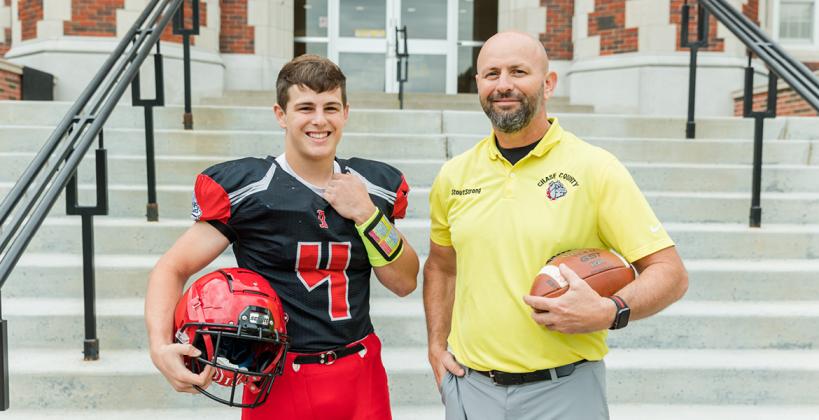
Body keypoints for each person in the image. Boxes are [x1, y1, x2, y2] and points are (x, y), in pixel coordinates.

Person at [423, 31, 688, 420]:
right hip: (471, 389)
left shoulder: (595, 168)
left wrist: (609, 310)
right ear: (478, 84)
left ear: (548, 84)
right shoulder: (454, 175)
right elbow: (441, 267)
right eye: (491, 74)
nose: (503, 85)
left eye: (518, 71)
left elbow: (671, 273)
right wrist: (435, 345)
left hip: (564, 392)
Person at [145, 54, 419, 420]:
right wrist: (160, 346)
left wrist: (367, 215)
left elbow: (404, 281)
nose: (319, 120)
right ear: (281, 114)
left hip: (361, 372)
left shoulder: (371, 187)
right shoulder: (250, 188)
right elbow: (172, 267)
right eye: (305, 107)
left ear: (346, 113)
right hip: (277, 377)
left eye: (330, 108)